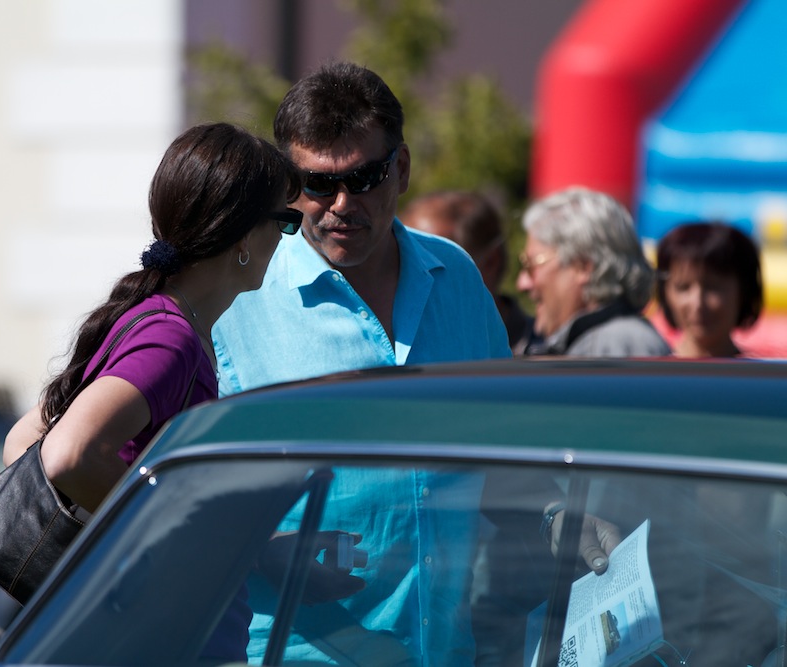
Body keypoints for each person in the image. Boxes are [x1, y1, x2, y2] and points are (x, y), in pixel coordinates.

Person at [212, 62, 617, 666]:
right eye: (317, 184)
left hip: (444, 652)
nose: (341, 204)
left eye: (363, 178)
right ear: (288, 183)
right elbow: (176, 494)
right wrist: (260, 549)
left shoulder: (455, 277)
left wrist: (556, 516)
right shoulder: (239, 299)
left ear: (400, 167)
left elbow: (501, 451)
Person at [2, 121, 301, 662]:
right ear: (242, 236)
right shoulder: (170, 338)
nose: (286, 239)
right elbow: (67, 454)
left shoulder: (155, 320)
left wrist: (252, 547)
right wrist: (167, 533)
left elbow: (24, 440)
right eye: (285, 221)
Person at [516, 186, 671, 357]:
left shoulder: (611, 346)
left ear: (582, 267)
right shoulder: (612, 341)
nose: (522, 283)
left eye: (531, 265)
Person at [400, 190, 538, 355]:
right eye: (402, 262)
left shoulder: (547, 353)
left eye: (431, 265)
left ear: (491, 262)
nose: (411, 280)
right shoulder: (400, 346)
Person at [655, 221, 763, 358]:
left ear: (744, 291)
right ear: (665, 293)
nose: (698, 303)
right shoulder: (645, 370)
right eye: (683, 288)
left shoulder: (768, 371)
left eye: (713, 287)